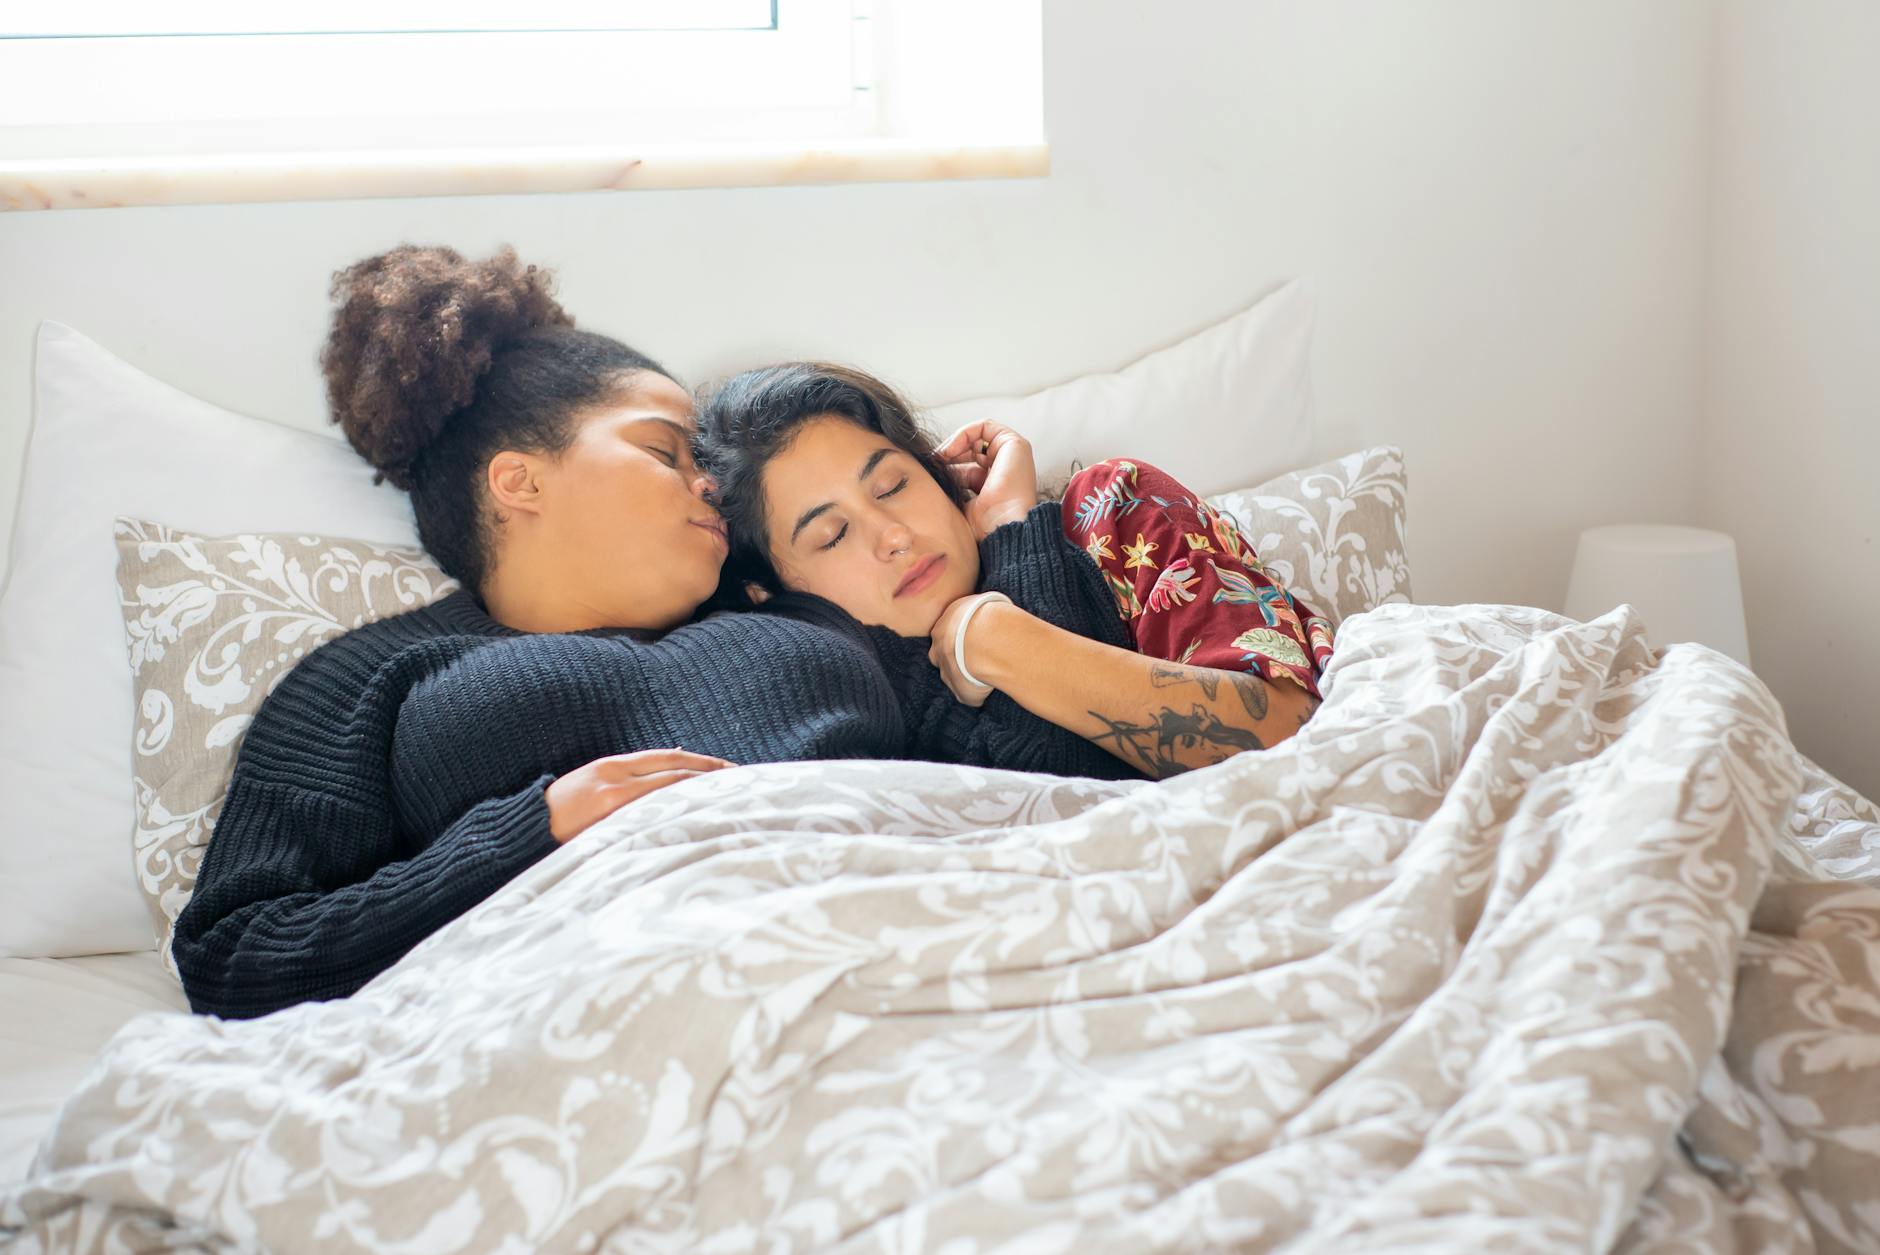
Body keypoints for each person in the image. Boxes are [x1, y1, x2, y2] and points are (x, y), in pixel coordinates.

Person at [172, 246, 926, 1020]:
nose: (708, 480)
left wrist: (1013, 529)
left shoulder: (790, 603)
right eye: (664, 450)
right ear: (520, 481)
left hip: (893, 959)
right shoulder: (371, 674)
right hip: (594, 1017)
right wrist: (531, 831)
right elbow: (234, 954)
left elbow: (1016, 747)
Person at [697, 363, 1334, 782]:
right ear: (770, 595)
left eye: (892, 486)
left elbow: (1284, 736)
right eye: (832, 534)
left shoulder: (1113, 512)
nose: (893, 536)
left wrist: (1001, 604)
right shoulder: (835, 701)